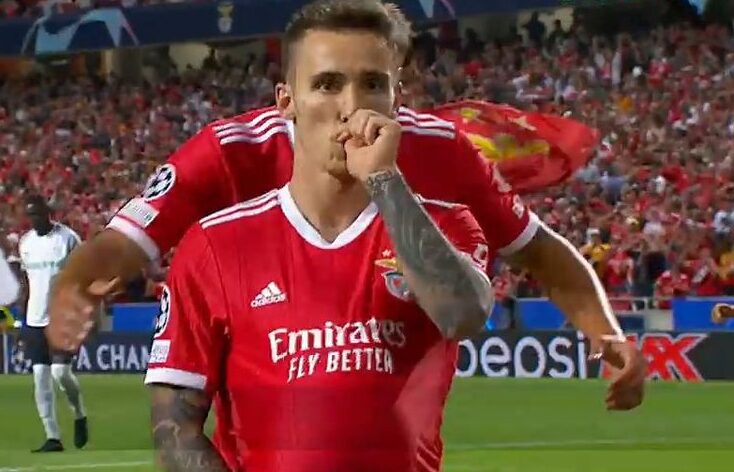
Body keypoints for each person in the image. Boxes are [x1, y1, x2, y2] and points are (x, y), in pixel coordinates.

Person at [48, 0, 645, 412]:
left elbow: (538, 250)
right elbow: (125, 241)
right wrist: (73, 286)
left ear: (397, 93)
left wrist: (606, 334)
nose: (350, 106)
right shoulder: (231, 151)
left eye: (372, 83)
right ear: (288, 98)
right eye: (328, 83)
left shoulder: (440, 148)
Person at [17, 195, 89, 452]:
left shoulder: (67, 239)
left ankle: (79, 413)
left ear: (48, 213)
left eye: (37, 214)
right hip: (34, 319)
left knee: (60, 373)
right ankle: (52, 437)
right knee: (40, 377)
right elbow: (26, 283)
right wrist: (22, 320)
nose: (34, 219)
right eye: (30, 215)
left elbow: (82, 276)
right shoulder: (26, 243)